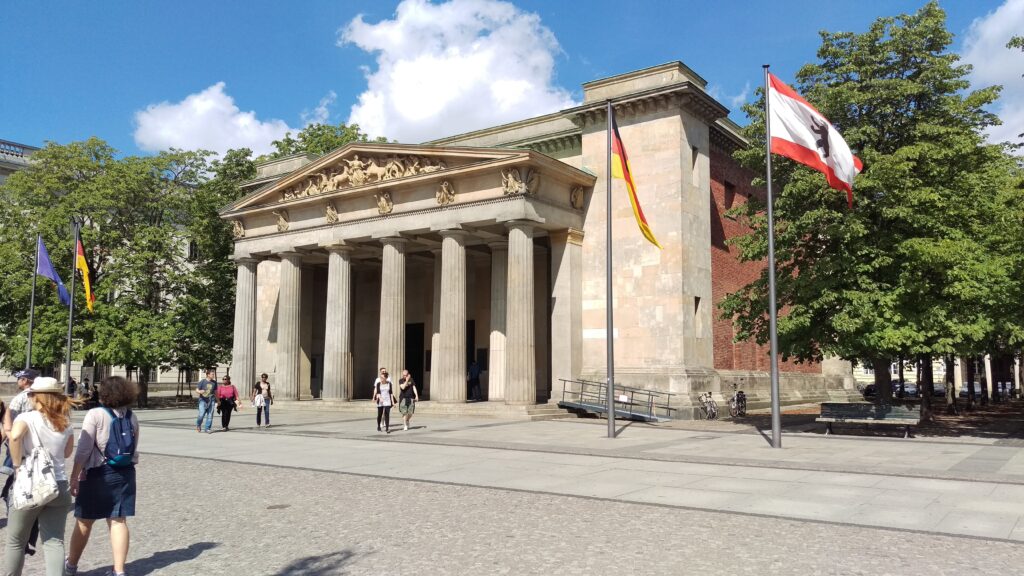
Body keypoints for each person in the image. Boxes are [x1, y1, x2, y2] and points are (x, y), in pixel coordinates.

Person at [65, 376, 140, 576]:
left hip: (98, 471)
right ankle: (119, 570)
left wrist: (74, 475)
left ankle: (71, 565)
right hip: (125, 471)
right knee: (118, 520)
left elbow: (83, 449)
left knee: (84, 520)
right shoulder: (131, 416)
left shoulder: (96, 414)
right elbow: (134, 447)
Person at [2, 377, 75, 576]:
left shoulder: (27, 418)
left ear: (38, 397)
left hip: (30, 484)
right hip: (58, 484)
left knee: (16, 540)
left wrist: (17, 465)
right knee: (54, 541)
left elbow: (15, 437)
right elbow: (68, 452)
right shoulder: (65, 422)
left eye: (32, 394)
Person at [2, 368, 41, 556]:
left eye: (20, 378)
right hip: (41, 451)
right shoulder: (44, 400)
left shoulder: (19, 399)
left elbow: (9, 425)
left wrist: (6, 438)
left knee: (13, 488)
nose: (18, 381)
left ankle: (19, 532)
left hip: (20, 447)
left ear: (26, 380)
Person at [373, 369, 397, 434]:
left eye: (382, 378)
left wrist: (393, 402)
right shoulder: (378, 384)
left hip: (387, 400)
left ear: (386, 378)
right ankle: (378, 426)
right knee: (379, 414)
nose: (381, 379)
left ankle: (387, 428)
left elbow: (391, 393)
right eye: (381, 377)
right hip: (380, 400)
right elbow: (378, 393)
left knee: (387, 414)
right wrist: (380, 398)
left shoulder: (389, 384)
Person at [195, 369, 217, 434]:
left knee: (210, 415)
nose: (213, 375)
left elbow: (215, 392)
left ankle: (207, 428)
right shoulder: (202, 381)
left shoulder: (214, 382)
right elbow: (197, 389)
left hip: (211, 400)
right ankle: (198, 424)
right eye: (212, 374)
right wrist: (199, 391)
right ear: (208, 375)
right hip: (203, 400)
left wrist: (218, 401)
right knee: (201, 414)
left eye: (213, 374)